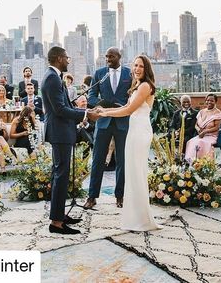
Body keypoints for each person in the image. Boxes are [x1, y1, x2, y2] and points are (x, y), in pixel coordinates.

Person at [97, 55, 161, 231]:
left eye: (141, 66)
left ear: (146, 69)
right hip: (134, 131)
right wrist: (105, 110)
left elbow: (128, 110)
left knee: (137, 174)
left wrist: (106, 113)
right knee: (132, 173)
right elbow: (124, 108)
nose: (137, 68)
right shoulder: (137, 87)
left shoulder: (145, 86)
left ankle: (141, 218)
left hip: (140, 132)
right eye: (135, 65)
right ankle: (136, 216)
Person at [41, 46, 100, 235]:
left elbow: (64, 105)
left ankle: (59, 215)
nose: (68, 61)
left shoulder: (54, 77)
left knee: (61, 175)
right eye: (67, 58)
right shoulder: (52, 78)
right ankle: (56, 223)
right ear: (59, 58)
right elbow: (59, 110)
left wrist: (83, 111)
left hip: (62, 131)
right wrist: (86, 114)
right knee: (60, 175)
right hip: (59, 133)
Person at [84, 47, 132, 210]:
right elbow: (90, 95)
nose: (108, 59)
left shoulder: (129, 74)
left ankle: (120, 196)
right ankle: (92, 197)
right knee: (97, 160)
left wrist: (125, 105)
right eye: (106, 57)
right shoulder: (99, 73)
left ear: (119, 56)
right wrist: (100, 105)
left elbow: (134, 95)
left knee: (122, 161)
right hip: (103, 122)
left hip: (122, 122)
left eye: (111, 56)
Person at [184, 94, 221, 163]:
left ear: (215, 102)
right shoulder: (201, 112)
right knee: (190, 142)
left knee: (200, 142)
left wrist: (205, 132)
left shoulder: (218, 113)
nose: (209, 102)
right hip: (201, 135)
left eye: (212, 101)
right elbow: (196, 125)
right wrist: (198, 129)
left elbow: (216, 128)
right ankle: (192, 163)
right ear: (205, 101)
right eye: (208, 100)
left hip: (211, 136)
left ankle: (204, 164)